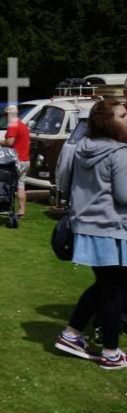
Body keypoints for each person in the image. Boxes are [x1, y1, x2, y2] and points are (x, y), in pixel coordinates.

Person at [55, 99, 127, 369]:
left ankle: (72, 334)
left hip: (87, 227)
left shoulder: (82, 148)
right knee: (112, 291)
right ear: (109, 122)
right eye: (122, 115)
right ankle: (110, 353)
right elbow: (124, 194)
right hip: (110, 229)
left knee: (105, 286)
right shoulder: (119, 152)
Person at [0, 104, 31, 217]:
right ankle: (22, 211)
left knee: (9, 185)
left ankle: (7, 207)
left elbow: (10, 142)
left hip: (15, 161)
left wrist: (2, 142)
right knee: (21, 185)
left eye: (5, 115)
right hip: (25, 160)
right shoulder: (23, 125)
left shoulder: (13, 125)